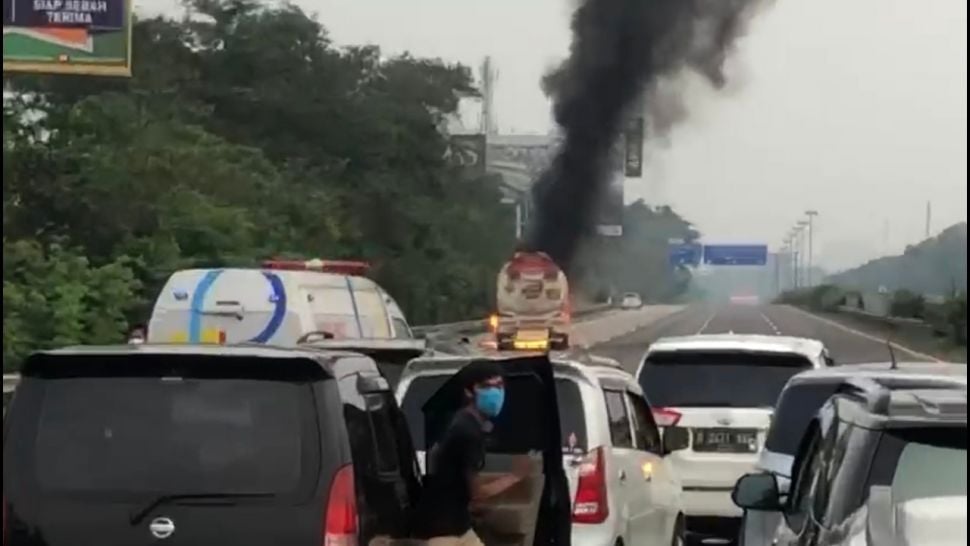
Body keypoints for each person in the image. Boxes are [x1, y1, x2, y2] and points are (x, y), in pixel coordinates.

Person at [413, 360, 532, 546]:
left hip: (457, 527)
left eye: (499, 386)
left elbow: (462, 479)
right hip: (445, 533)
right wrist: (515, 476)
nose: (495, 393)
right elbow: (477, 492)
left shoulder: (465, 423)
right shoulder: (467, 431)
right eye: (486, 387)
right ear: (469, 392)